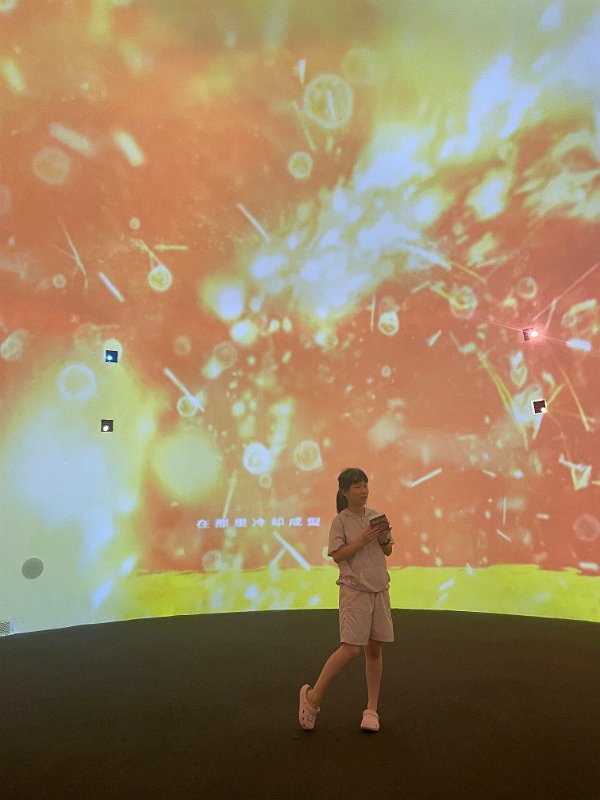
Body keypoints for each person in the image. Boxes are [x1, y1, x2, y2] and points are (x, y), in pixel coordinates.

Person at [298, 467, 395, 733]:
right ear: (344, 492)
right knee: (351, 648)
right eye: (357, 487)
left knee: (374, 649)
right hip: (354, 590)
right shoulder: (340, 521)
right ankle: (312, 697)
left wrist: (384, 538)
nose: (364, 491)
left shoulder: (376, 516)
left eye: (365, 485)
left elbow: (387, 550)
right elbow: (337, 555)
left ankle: (371, 710)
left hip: (379, 588)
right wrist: (362, 540)